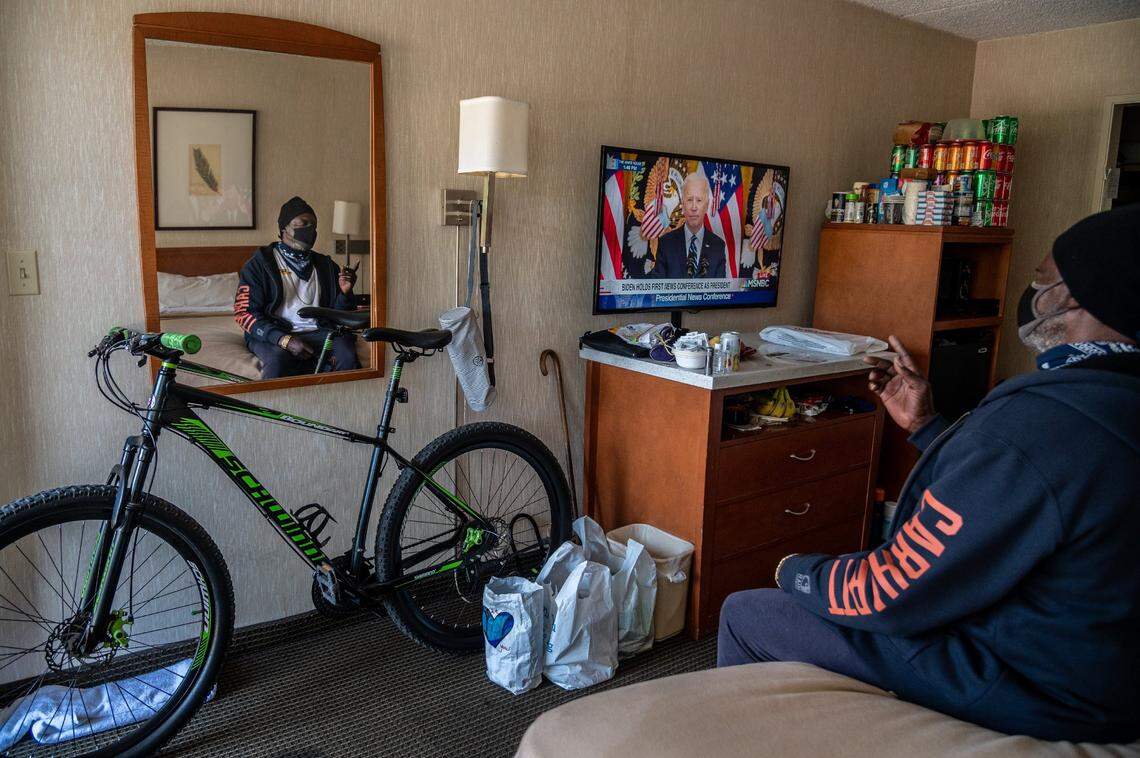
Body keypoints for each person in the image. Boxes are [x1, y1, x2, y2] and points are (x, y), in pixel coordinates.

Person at [717, 204, 1140, 744]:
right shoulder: (1105, 403)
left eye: (1041, 279)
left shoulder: (1038, 427)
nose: (1032, 293)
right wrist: (925, 427)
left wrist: (794, 570)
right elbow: (1023, 495)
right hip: (1097, 671)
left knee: (748, 612)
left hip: (1031, 685)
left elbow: (887, 591)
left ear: (1079, 297)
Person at [234, 196, 361, 379]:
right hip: (274, 333)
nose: (310, 231)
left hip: (320, 332)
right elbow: (244, 313)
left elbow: (342, 316)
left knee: (347, 355)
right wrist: (284, 339)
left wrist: (345, 293)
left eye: (313, 226)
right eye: (303, 224)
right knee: (278, 361)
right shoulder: (259, 265)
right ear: (283, 229)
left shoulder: (326, 265)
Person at [651, 173, 727, 278]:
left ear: (706, 206)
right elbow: (658, 285)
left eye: (699, 200)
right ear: (683, 204)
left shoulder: (718, 246)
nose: (694, 207)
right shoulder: (666, 243)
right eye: (689, 200)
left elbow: (720, 288)